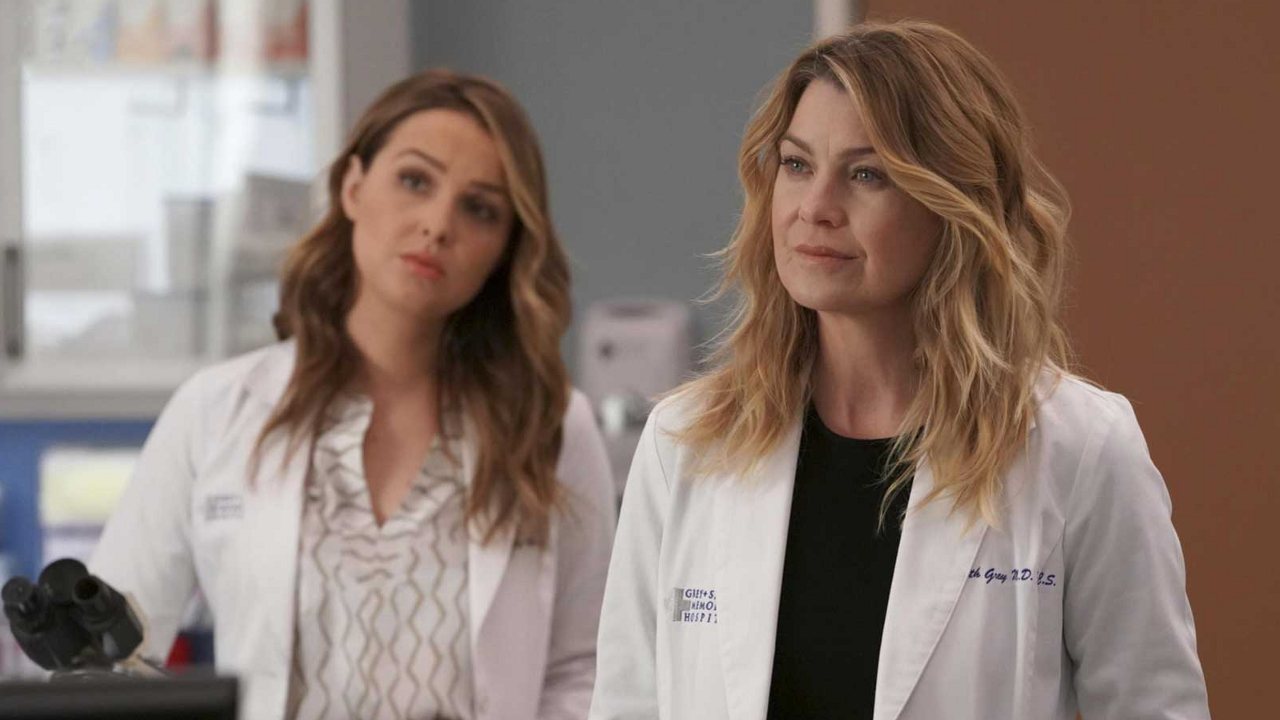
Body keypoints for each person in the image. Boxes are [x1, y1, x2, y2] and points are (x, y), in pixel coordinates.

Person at [589, 20, 1209, 720]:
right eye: (796, 165)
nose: (814, 209)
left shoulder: (1080, 450)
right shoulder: (683, 445)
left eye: (867, 174)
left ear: (952, 202)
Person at [91, 69, 617, 720]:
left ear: (506, 247)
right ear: (353, 186)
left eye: (479, 208)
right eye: (415, 181)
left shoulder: (552, 424)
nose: (437, 224)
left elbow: (586, 670)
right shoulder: (216, 410)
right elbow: (105, 664)